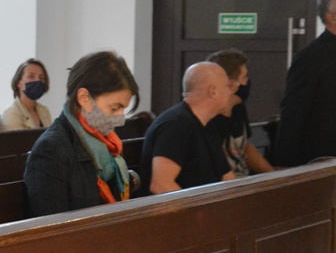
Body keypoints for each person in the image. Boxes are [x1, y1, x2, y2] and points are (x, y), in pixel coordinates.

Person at [23, 51, 140, 217]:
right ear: (84, 98)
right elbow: (50, 224)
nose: (120, 119)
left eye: (123, 109)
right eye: (114, 108)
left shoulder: (108, 144)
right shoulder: (51, 150)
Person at [139, 62, 236, 195]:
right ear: (213, 91)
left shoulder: (207, 124)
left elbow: (228, 179)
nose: (231, 91)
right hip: (178, 208)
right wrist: (203, 208)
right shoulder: (175, 125)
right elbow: (160, 185)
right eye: (227, 86)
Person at [273, 0, 336, 166]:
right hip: (323, 155)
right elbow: (294, 110)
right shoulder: (311, 57)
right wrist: (284, 164)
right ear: (332, 17)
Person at [206, 48, 273, 178]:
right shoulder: (207, 117)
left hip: (242, 180)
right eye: (244, 77)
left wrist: (273, 175)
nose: (247, 82)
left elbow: (244, 147)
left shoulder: (238, 109)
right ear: (232, 84)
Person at [0, 58, 53, 130]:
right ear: (18, 83)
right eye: (31, 76)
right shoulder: (11, 113)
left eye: (41, 77)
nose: (38, 80)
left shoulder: (44, 110)